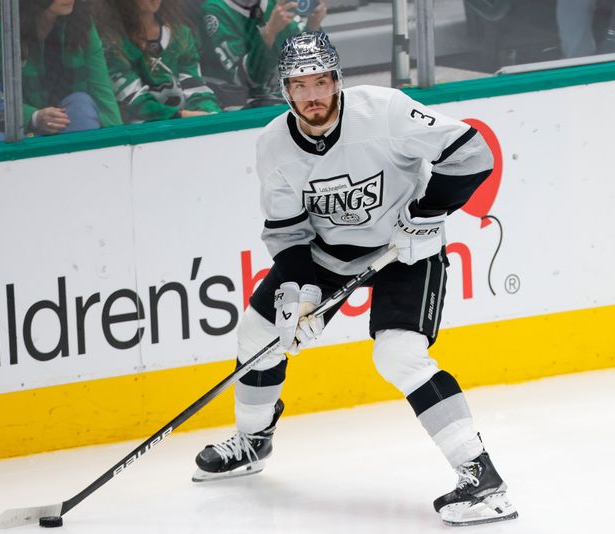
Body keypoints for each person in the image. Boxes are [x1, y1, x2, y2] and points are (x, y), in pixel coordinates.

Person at [191, 31, 518, 527]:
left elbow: (474, 155)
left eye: (322, 81)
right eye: (300, 86)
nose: (313, 95)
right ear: (285, 90)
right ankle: (252, 441)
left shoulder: (385, 112)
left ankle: (483, 480)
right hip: (327, 255)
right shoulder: (274, 147)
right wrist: (300, 293)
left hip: (408, 250)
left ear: (338, 80)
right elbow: (287, 230)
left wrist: (426, 211)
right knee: (259, 335)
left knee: (398, 353)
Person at [0, 0, 122, 136]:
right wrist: (33, 117)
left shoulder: (82, 21)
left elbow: (102, 92)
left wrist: (120, 143)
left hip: (67, 124)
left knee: (81, 104)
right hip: (15, 133)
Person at [96, 0, 220, 123]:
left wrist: (212, 113)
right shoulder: (112, 42)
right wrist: (180, 116)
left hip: (187, 121)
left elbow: (195, 86)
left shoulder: (181, 34)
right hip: (142, 133)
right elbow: (133, 101)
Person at [198, 0, 327, 109]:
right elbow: (245, 80)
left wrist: (313, 27)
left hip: (287, 100)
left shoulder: (276, 4)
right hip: (242, 109)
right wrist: (269, 32)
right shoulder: (215, 10)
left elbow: (311, 66)